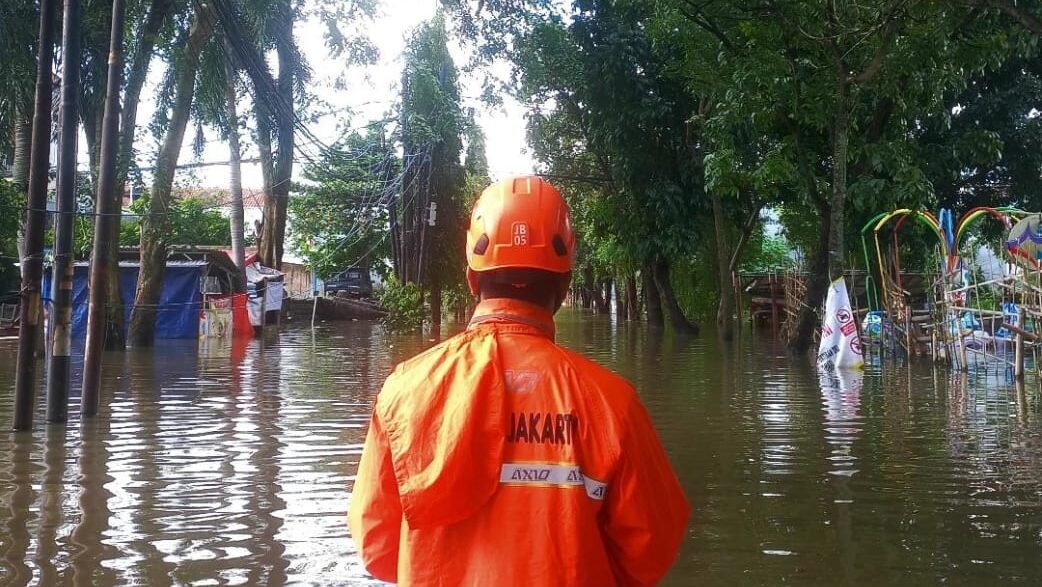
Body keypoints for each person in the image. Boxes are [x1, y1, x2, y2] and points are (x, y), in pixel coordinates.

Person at [348, 176, 690, 586]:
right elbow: (649, 553)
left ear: (472, 278)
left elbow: (377, 548)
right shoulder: (613, 404)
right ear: (564, 284)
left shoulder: (404, 392)